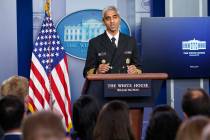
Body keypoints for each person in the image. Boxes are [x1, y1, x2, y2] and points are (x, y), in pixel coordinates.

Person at [83, 5, 142, 77]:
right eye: (108, 18)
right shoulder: (94, 42)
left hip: (124, 85)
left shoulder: (131, 41)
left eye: (115, 17)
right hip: (103, 86)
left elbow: (140, 68)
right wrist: (97, 71)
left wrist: (135, 71)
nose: (112, 21)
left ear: (119, 19)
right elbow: (86, 72)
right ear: (103, 22)